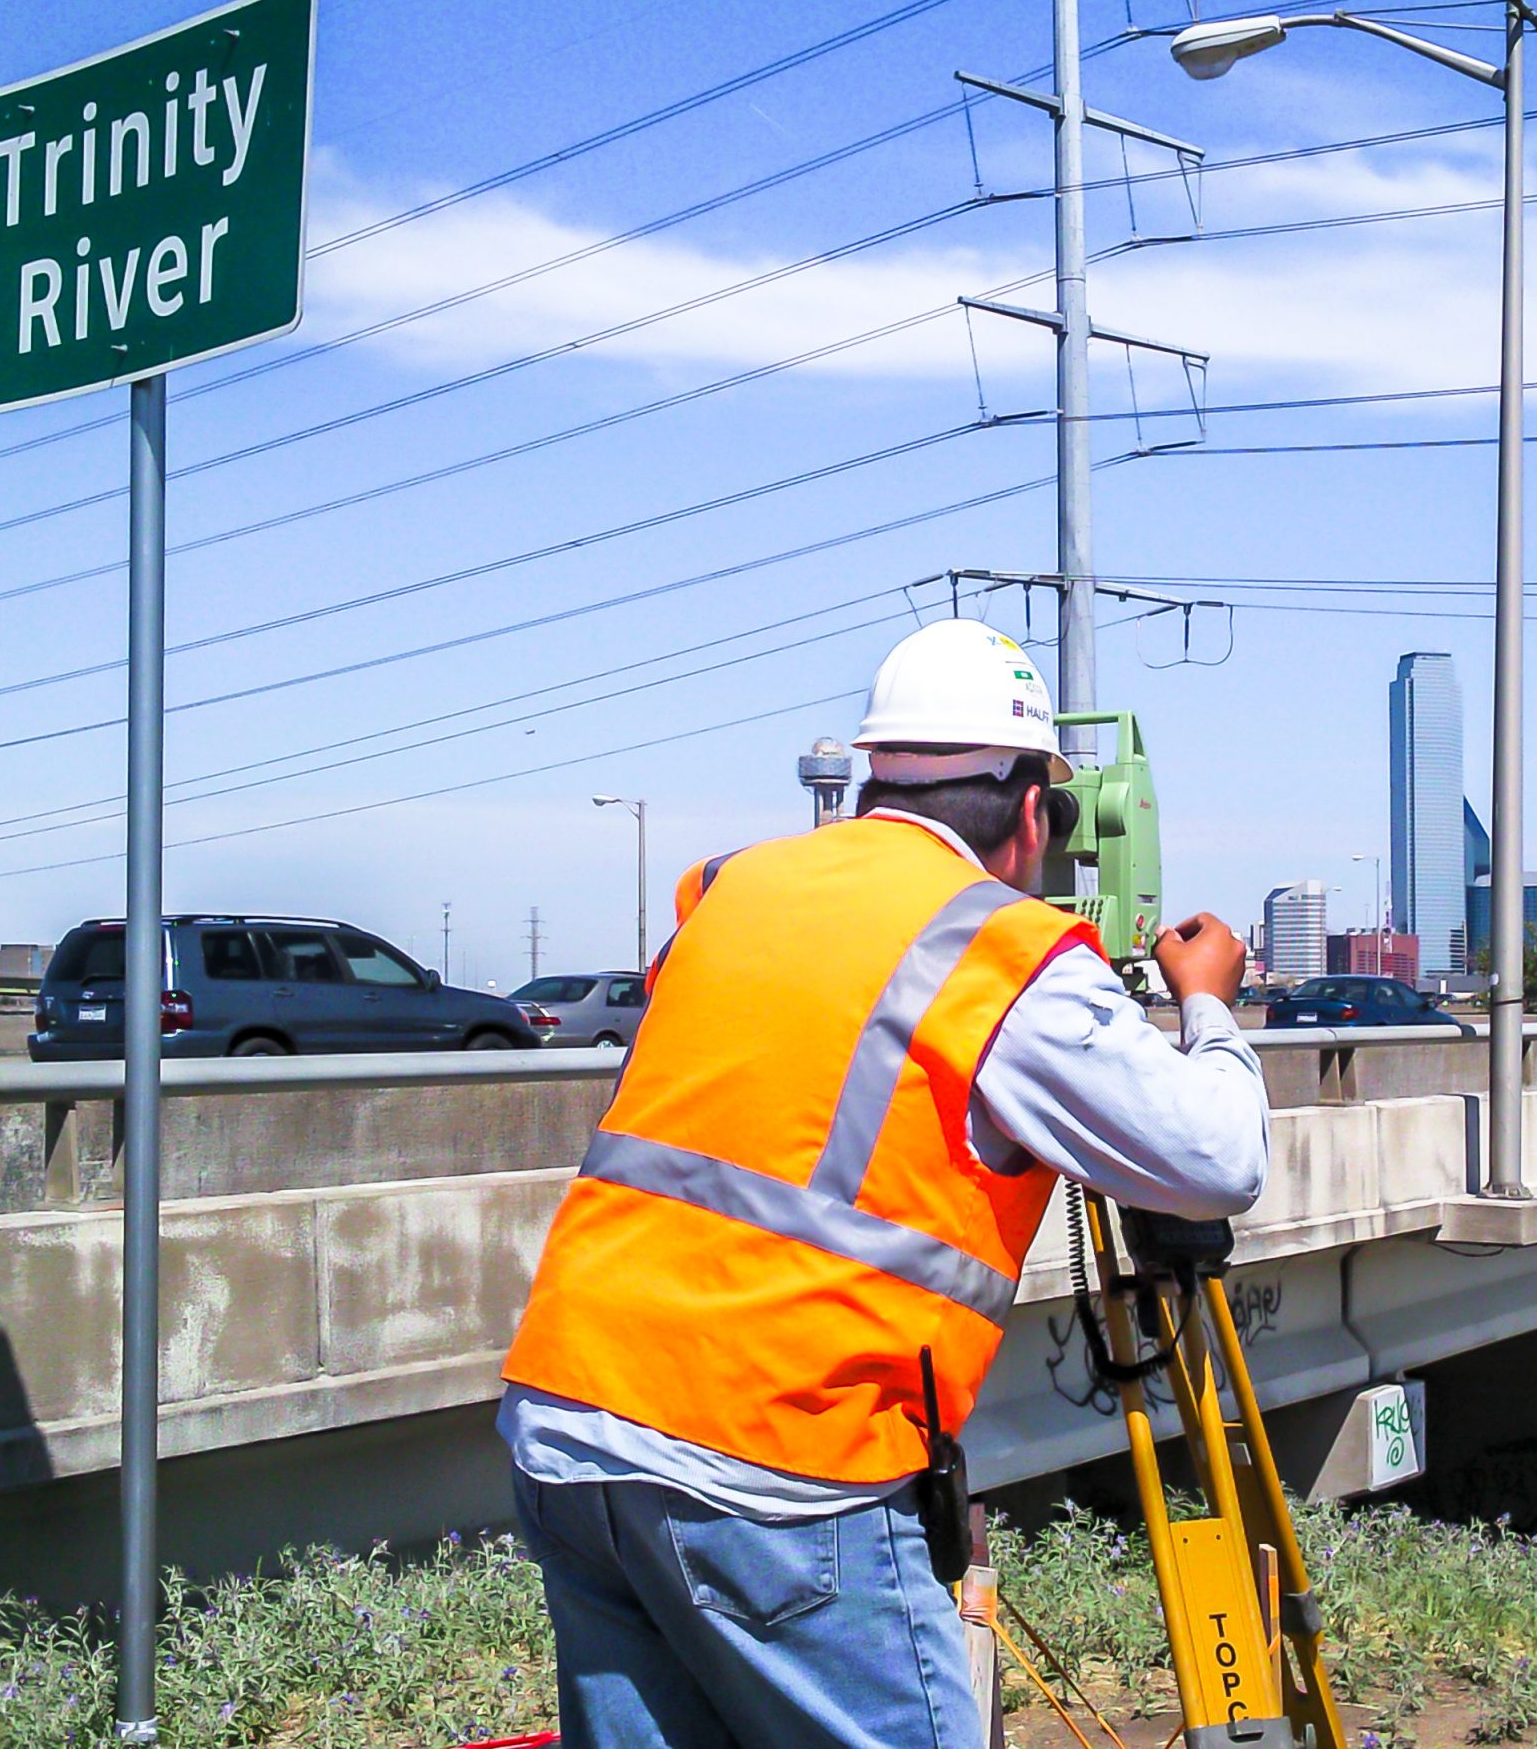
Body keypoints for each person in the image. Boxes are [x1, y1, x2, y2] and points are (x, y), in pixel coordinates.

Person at [499, 618, 1268, 1749]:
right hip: (774, 1459)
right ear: (1031, 814)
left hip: (571, 1418)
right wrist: (1206, 1001)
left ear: (872, 779)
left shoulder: (730, 889)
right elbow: (1217, 1162)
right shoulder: (998, 950)